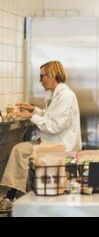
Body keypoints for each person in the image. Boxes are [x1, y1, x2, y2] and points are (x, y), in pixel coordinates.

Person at [0, 61, 81, 212]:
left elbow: (55, 126)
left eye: (42, 76)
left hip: (61, 148)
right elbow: (50, 116)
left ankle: (14, 199)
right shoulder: (58, 95)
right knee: (21, 150)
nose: (40, 80)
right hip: (53, 143)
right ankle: (15, 198)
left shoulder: (66, 96)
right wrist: (34, 110)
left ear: (52, 75)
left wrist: (30, 116)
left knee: (20, 151)